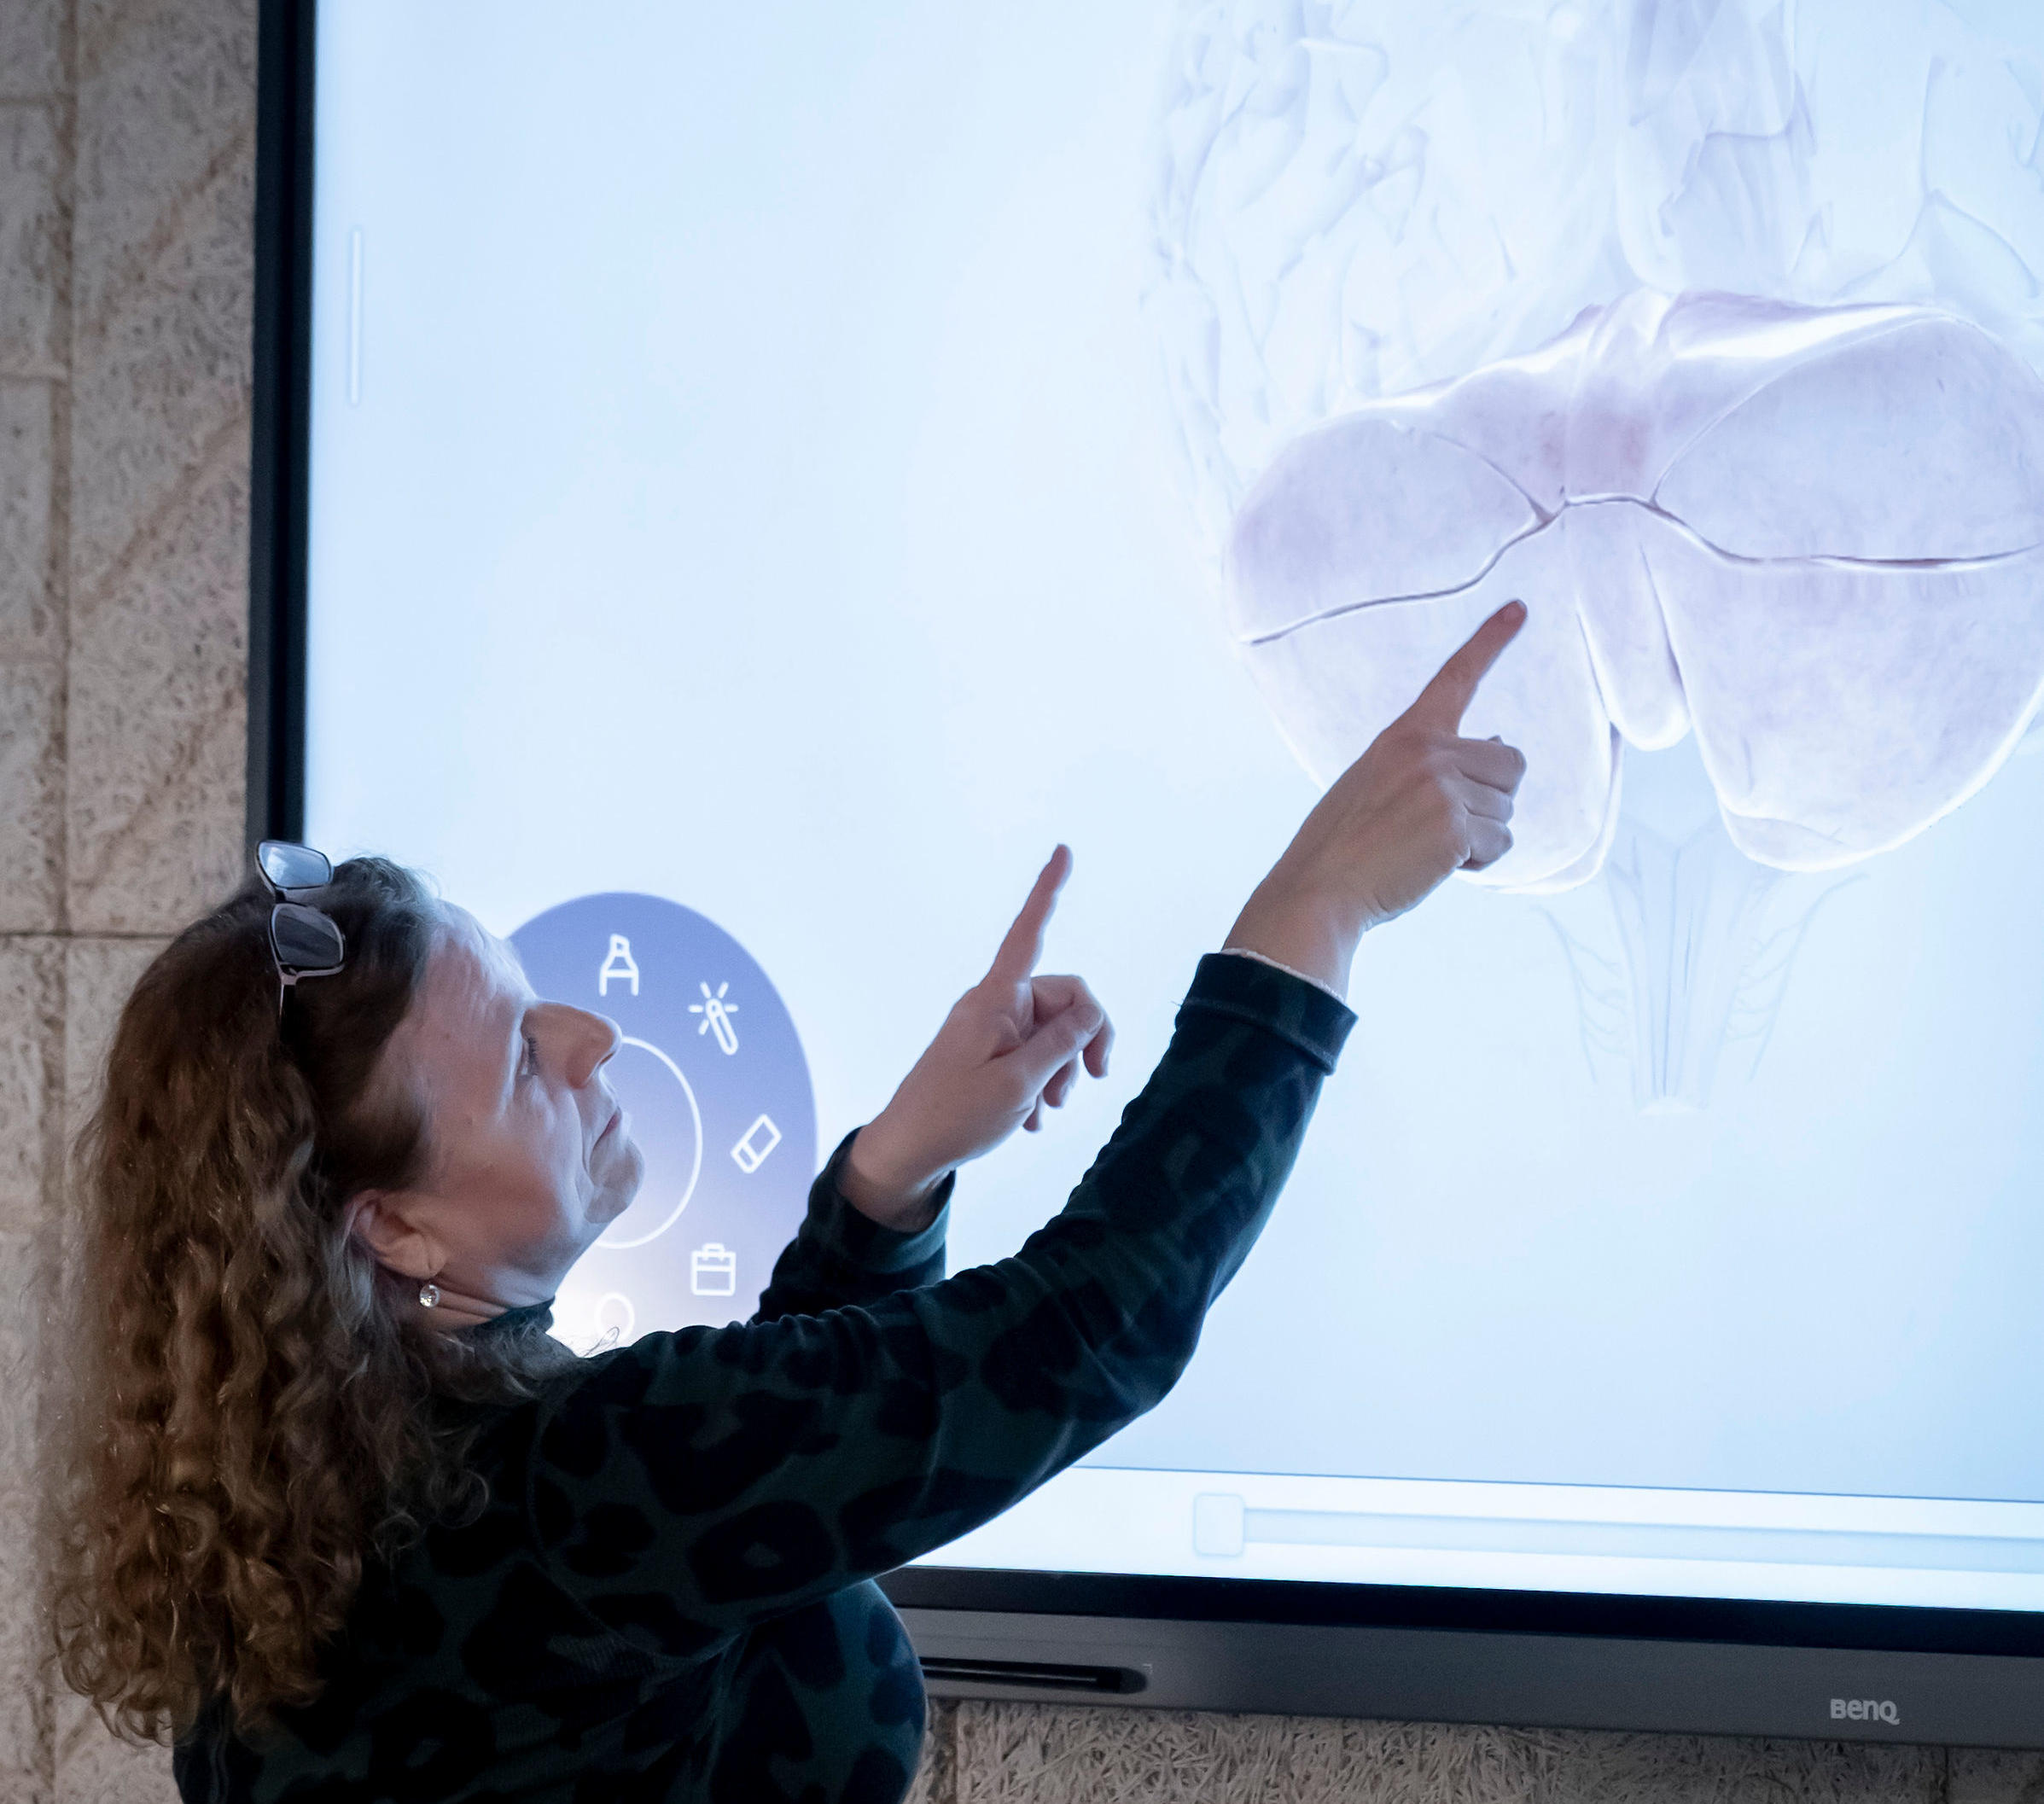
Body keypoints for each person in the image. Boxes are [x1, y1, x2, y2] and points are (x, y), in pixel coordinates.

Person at [49, 603, 1527, 1802]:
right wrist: (1318, 904)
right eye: (514, 1054)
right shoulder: (573, 1486)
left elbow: (738, 1506)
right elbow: (1091, 1328)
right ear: (392, 1228)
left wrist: (892, 1173)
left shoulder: (294, 1572)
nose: (588, 1036)